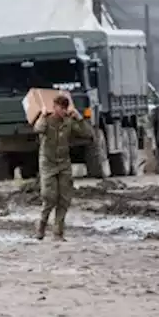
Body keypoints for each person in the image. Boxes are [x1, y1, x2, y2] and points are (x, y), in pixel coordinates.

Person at [33, 94, 92, 241]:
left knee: (64, 198)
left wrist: (79, 118)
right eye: (60, 108)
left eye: (65, 108)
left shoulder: (69, 122)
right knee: (49, 197)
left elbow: (88, 134)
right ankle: (41, 225)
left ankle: (58, 232)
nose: (63, 111)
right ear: (55, 107)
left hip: (64, 163)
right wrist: (42, 115)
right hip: (48, 162)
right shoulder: (46, 120)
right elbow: (37, 129)